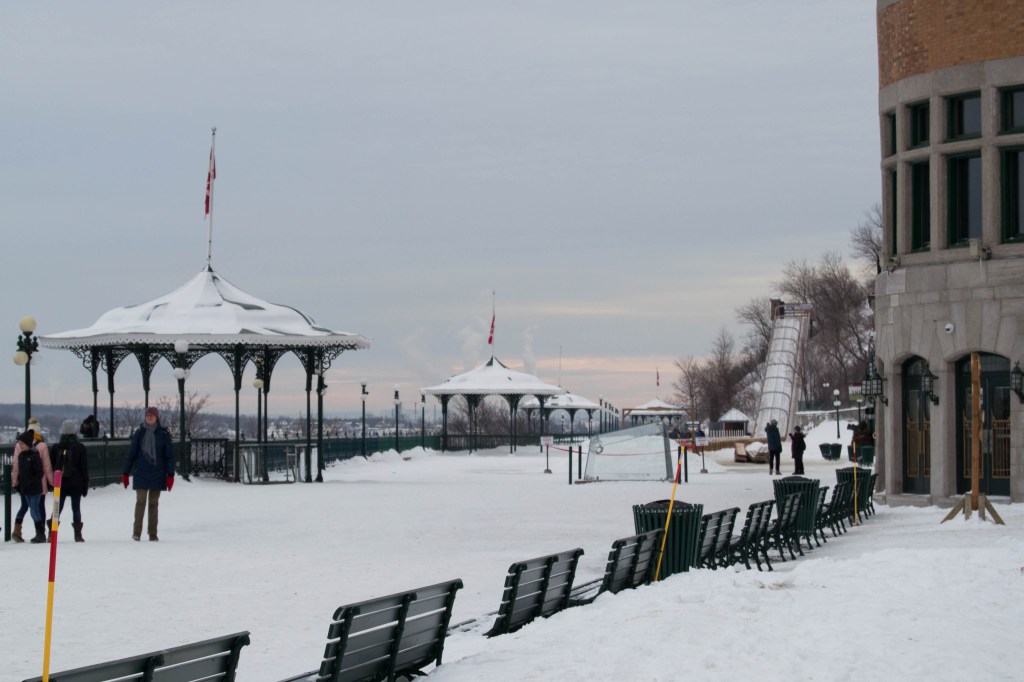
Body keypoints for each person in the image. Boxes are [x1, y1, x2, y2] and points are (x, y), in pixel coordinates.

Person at [123, 406, 175, 541]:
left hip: (158, 472)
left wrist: (170, 475)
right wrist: (125, 472)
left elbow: (169, 456)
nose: (149, 417)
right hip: (141, 471)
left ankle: (153, 533)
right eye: (147, 415)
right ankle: (136, 532)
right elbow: (132, 453)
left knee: (153, 502)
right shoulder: (139, 433)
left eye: (152, 415)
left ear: (156, 417)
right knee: (140, 501)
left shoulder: (163, 434)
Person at [52, 419, 90, 542]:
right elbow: (84, 467)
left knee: (57, 508)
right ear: (74, 431)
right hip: (76, 482)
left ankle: (51, 533)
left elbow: (52, 466)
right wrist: (85, 485)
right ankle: (78, 535)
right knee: (76, 508)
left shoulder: (56, 447)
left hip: (60, 483)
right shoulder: (79, 447)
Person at [11, 430, 50, 543]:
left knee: (34, 510)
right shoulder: (21, 456)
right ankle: (39, 533)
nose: (20, 446)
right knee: (32, 509)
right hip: (25, 489)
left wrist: (31, 482)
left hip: (35, 489)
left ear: (28, 444)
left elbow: (39, 472)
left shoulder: (34, 456)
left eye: (22, 444)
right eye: (19, 444)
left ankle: (40, 533)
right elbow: (19, 471)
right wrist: (18, 483)